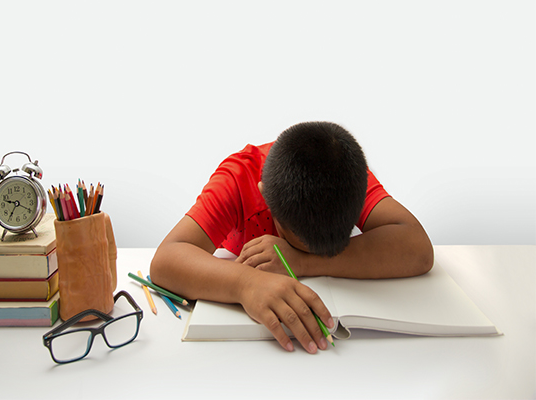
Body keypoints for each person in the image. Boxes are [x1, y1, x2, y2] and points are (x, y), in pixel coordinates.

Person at [150, 121, 433, 354]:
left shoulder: (345, 173)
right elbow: (166, 259)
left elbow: (418, 248)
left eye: (327, 251)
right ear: (265, 196)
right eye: (304, 246)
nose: (317, 254)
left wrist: (300, 261)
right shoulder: (237, 179)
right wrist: (245, 284)